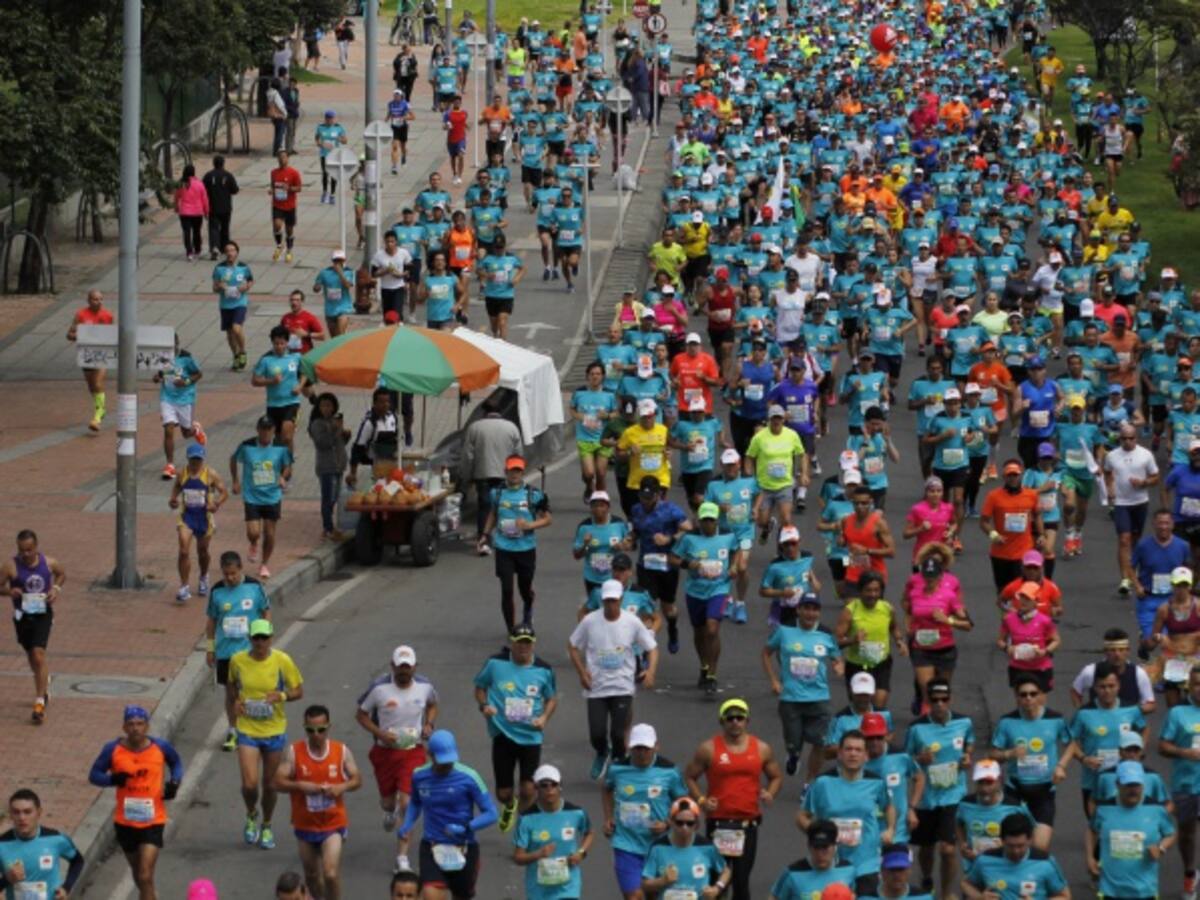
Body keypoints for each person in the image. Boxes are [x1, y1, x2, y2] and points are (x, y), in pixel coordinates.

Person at [684, 698, 783, 900]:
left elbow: (776, 776)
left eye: (740, 718)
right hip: (718, 823)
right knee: (717, 882)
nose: (735, 722)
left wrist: (770, 793)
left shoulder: (762, 748)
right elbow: (689, 777)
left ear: (747, 721)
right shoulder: (708, 749)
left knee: (741, 881)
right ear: (722, 721)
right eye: (730, 718)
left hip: (747, 825)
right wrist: (702, 801)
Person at [357, 645, 439, 873]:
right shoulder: (379, 688)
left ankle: (402, 857)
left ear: (414, 667)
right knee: (389, 802)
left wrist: (429, 724)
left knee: (407, 803)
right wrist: (380, 733)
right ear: (392, 666)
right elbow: (361, 715)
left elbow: (432, 704)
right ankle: (389, 810)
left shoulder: (425, 686)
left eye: (408, 667)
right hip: (384, 752)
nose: (404, 672)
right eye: (400, 668)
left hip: (412, 751)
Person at [88, 706, 183, 900]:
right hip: (125, 821)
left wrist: (174, 782)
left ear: (147, 726)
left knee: (145, 873)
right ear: (124, 727)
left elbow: (176, 763)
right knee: (138, 873)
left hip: (153, 820)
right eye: (131, 724)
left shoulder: (160, 747)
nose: (135, 728)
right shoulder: (112, 749)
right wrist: (113, 780)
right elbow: (94, 775)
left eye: (140, 724)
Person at [569, 578, 659, 780]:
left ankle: (618, 768)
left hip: (622, 686)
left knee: (619, 734)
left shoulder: (631, 622)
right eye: (607, 601)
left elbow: (652, 648)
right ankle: (602, 752)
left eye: (614, 601)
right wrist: (582, 673)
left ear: (621, 599)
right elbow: (572, 646)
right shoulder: (590, 621)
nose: (610, 605)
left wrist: (650, 672)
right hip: (597, 686)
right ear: (602, 600)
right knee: (597, 734)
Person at [227, 618, 304, 850]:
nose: (260, 642)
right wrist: (237, 704)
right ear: (250, 638)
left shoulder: (282, 661)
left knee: (270, 785)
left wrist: (280, 697)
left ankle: (267, 824)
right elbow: (232, 687)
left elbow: (298, 690)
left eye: (264, 638)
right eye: (256, 638)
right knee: (250, 785)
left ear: (271, 638)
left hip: (274, 730)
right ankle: (252, 814)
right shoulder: (237, 660)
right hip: (248, 729)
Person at [473, 624, 558, 834]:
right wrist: (484, 706)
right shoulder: (495, 663)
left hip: (530, 737)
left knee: (529, 789)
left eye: (527, 643)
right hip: (502, 734)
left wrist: (544, 718)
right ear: (511, 642)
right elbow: (480, 687)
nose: (523, 647)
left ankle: (523, 828)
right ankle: (510, 804)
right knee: (503, 793)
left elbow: (551, 698)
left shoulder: (544, 670)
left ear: (533, 644)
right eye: (519, 642)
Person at [272, 704, 362, 900]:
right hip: (305, 824)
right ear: (304, 727)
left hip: (333, 823)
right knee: (312, 876)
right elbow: (277, 783)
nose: (316, 734)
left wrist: (341, 787)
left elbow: (357, 779)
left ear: (328, 727)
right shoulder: (294, 752)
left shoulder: (341, 751)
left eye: (320, 730)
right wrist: (300, 786)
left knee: (330, 873)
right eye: (310, 730)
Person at [396, 729, 498, 899]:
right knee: (430, 894)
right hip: (432, 844)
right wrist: (408, 823)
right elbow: (415, 801)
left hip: (464, 846)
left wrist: (466, 828)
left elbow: (491, 813)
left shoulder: (469, 777)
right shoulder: (419, 776)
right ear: (431, 755)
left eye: (449, 761)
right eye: (442, 761)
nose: (446, 765)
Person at [798, 731, 896, 896]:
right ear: (839, 754)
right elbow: (802, 816)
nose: (853, 754)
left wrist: (890, 829)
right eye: (848, 749)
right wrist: (818, 835)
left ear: (865, 755)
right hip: (832, 862)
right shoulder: (823, 782)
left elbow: (889, 807)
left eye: (858, 750)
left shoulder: (876, 782)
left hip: (867, 862)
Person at [761, 591, 843, 784]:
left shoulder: (825, 634)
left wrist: (838, 666)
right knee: (793, 741)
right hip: (791, 698)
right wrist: (774, 680)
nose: (810, 613)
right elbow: (766, 653)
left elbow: (836, 657)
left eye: (815, 609)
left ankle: (810, 782)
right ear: (798, 610)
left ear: (819, 613)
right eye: (806, 608)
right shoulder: (784, 630)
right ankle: (793, 754)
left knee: (820, 743)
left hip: (819, 697)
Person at [904, 678, 975, 899]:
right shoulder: (917, 728)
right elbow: (904, 761)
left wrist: (967, 757)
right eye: (935, 700)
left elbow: (969, 743)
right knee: (926, 848)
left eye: (944, 700)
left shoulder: (964, 723)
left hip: (953, 795)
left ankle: (945, 893)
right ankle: (926, 878)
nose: (940, 704)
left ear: (950, 699)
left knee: (947, 848)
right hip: (926, 797)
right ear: (928, 701)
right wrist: (919, 758)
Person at [602, 723, 688, 899]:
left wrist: (667, 824)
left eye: (646, 748)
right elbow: (606, 788)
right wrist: (609, 817)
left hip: (659, 846)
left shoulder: (669, 771)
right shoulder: (617, 769)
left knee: (656, 895)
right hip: (626, 844)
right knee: (634, 896)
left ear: (656, 746)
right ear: (630, 747)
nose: (641, 753)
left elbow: (683, 803)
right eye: (637, 748)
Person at [989, 675, 1071, 850]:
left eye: (1033, 694)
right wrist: (1009, 753)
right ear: (1017, 697)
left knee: (1040, 847)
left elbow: (1072, 743)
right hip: (1015, 791)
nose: (1028, 698)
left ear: (1042, 696)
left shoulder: (1055, 719)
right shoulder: (1006, 722)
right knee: (1011, 844)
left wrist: (1061, 766)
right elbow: (993, 754)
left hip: (1044, 791)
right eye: (1023, 694)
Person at [1057, 661, 1146, 809]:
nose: (1107, 691)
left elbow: (1144, 728)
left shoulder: (1131, 709)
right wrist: (1084, 758)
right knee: (1096, 825)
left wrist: (1139, 752)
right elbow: (1069, 740)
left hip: (1125, 780)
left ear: (1119, 686)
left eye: (1111, 686)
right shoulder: (1084, 713)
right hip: (1093, 781)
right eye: (1102, 687)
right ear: (1095, 688)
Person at [672, 501, 740, 695]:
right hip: (695, 591)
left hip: (719, 588)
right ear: (699, 521)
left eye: (711, 520)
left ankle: (712, 672)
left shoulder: (727, 535)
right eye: (705, 520)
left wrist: (734, 566)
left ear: (717, 520)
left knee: (712, 628)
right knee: (700, 631)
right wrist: (689, 564)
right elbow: (673, 558)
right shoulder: (689, 538)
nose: (708, 524)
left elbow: (736, 551)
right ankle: (703, 665)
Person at [205, 550, 269, 752]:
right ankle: (233, 730)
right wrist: (210, 648)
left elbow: (265, 610)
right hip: (226, 652)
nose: (230, 578)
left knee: (249, 690)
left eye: (233, 573)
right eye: (226, 574)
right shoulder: (216, 591)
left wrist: (264, 638)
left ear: (240, 568)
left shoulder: (254, 587)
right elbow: (211, 620)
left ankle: (252, 729)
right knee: (231, 693)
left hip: (250, 651)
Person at [481, 455, 552, 632]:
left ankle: (528, 608)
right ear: (505, 471)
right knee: (506, 590)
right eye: (511, 470)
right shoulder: (496, 493)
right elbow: (493, 514)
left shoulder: (533, 495)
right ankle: (512, 629)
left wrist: (530, 525)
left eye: (518, 471)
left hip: (526, 549)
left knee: (524, 589)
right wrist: (485, 534)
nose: (514, 474)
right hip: (504, 548)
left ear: (522, 472)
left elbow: (548, 519)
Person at [0, 530, 65, 724]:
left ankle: (39, 701)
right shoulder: (10, 566)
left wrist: (55, 589)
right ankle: (43, 679)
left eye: (29, 550)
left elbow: (61, 575)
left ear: (36, 547)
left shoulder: (49, 563)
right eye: (22, 551)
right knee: (32, 656)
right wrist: (9, 591)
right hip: (23, 617)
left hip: (43, 614)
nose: (26, 554)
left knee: (38, 654)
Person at [1086, 761, 1176, 899]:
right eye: (1128, 785)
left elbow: (1171, 833)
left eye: (1137, 785)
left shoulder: (1156, 809)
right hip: (1111, 891)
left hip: (1145, 890)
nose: (1133, 789)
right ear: (1117, 784)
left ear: (1143, 785)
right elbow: (1091, 830)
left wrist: (1161, 848)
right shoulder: (1104, 809)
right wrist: (1090, 857)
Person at [511, 764, 593, 899]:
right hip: (539, 890)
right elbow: (518, 857)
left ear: (560, 786)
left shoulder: (576, 813)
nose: (550, 790)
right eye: (544, 785)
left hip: (568, 887)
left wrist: (581, 853)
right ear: (536, 788)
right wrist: (539, 854)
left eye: (554, 784)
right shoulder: (526, 819)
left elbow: (589, 832)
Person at [229, 416, 293, 580]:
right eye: (263, 429)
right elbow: (233, 459)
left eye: (269, 429)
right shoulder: (247, 446)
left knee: (270, 533)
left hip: (272, 496)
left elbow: (288, 466)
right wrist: (236, 481)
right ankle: (253, 543)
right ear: (257, 430)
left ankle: (264, 564)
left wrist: (283, 478)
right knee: (253, 532)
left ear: (273, 431)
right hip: (252, 496)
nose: (266, 433)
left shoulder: (280, 447)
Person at [1157, 666, 1200, 896]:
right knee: (1187, 833)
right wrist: (1184, 753)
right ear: (1189, 686)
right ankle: (1190, 873)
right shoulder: (1178, 713)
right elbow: (1162, 746)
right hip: (1186, 784)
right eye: (1196, 684)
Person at [1104, 424, 1161, 594]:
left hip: (1140, 501)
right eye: (1124, 438)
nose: (1128, 441)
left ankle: (1133, 572)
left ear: (1136, 438)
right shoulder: (1112, 456)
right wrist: (1110, 488)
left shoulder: (1145, 455)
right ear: (1119, 439)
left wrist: (1144, 483)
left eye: (1131, 438)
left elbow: (1156, 477)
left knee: (1135, 540)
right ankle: (1125, 579)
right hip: (1121, 503)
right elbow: (1107, 472)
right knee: (1124, 539)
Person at [835, 573, 906, 708]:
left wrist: (899, 641)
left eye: (876, 590)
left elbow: (894, 627)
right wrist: (852, 640)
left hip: (880, 664)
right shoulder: (850, 611)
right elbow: (836, 642)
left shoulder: (887, 608)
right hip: (857, 666)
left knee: (879, 704)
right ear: (860, 590)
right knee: (859, 707)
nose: (872, 594)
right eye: (868, 590)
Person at [166, 443, 226, 602]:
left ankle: (204, 576)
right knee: (184, 550)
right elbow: (177, 488)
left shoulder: (210, 474)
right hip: (187, 517)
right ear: (188, 459)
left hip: (205, 518)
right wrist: (173, 500)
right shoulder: (182, 473)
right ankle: (184, 587)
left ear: (203, 460)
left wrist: (216, 504)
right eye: (193, 460)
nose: (195, 463)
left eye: (198, 460)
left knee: (203, 551)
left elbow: (224, 492)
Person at [461, 395, 523, 550]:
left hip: (482, 473)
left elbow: (468, 456)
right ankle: (509, 537)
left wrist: (465, 476)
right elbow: (518, 454)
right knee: (506, 505)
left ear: (484, 413)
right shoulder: (511, 427)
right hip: (505, 474)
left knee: (484, 507)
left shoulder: (475, 428)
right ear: (500, 412)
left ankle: (483, 539)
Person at [640, 797, 732, 899]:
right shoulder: (658, 847)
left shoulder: (707, 847)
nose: (685, 828)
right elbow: (644, 884)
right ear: (671, 822)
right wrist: (662, 881)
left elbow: (725, 871)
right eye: (679, 823)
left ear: (696, 825)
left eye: (690, 823)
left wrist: (716, 888)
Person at [0, 788, 85, 900]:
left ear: (39, 813)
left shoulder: (56, 839)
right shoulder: (2, 844)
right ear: (11, 815)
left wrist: (66, 888)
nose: (22, 818)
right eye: (16, 812)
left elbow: (78, 861)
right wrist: (6, 879)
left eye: (27, 812)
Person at [961, 814, 1069, 900]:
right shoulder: (985, 859)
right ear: (1002, 840)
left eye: (1020, 846)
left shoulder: (1045, 862)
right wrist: (979, 897)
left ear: (1030, 840)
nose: (1016, 851)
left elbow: (1065, 896)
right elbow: (966, 884)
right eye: (1010, 846)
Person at [979, 460, 1043, 591]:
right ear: (1004, 477)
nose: (1013, 478)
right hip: (1000, 553)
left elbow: (1037, 516)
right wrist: (994, 535)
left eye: (1015, 475)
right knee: (1003, 591)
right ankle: (1006, 612)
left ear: (1020, 476)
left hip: (1024, 552)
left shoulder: (1031, 495)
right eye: (1009, 475)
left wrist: (1041, 535)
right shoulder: (994, 496)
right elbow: (984, 521)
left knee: (1023, 591)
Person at [747, 405, 809, 541]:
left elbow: (802, 454)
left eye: (779, 418)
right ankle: (768, 525)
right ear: (769, 419)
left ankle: (782, 549)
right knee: (761, 521)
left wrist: (804, 473)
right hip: (764, 486)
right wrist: (749, 475)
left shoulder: (792, 435)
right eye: (774, 418)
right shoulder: (759, 437)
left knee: (786, 520)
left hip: (784, 484)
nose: (776, 421)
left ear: (783, 419)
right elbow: (750, 456)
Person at [155, 334, 207, 481]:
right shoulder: (162, 357)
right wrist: (157, 378)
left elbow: (198, 374)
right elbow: (160, 374)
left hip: (185, 399)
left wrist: (187, 381)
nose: (171, 349)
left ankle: (196, 429)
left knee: (186, 433)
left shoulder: (186, 357)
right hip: (167, 399)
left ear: (177, 344)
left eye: (173, 345)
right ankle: (170, 465)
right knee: (168, 429)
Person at [1071, 628, 1156, 713]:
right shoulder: (1091, 671)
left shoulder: (1139, 674)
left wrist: (1133, 713)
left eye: (1121, 650)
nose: (1117, 654)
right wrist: (1082, 714)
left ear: (1128, 651)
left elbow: (1150, 703)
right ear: (1105, 651)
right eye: (1112, 650)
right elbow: (1075, 691)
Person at [767, 819, 857, 899]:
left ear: (835, 846)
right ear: (809, 846)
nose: (820, 854)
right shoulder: (793, 873)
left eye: (825, 847)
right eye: (816, 847)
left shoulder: (848, 870)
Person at [251, 325, 305, 456]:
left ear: (287, 342)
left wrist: (300, 386)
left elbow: (306, 372)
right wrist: (271, 381)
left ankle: (288, 463)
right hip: (273, 405)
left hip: (291, 403)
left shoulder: (296, 357)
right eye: (276, 344)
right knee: (280, 438)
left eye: (282, 343)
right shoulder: (266, 360)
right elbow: (255, 380)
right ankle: (284, 460)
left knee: (286, 435)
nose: (279, 347)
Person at [66, 289, 114, 431]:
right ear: (88, 300)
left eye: (100, 299)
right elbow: (69, 334)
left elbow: (112, 335)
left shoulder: (107, 316)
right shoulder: (81, 315)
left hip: (102, 355)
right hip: (86, 355)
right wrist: (79, 336)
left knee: (98, 383)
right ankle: (101, 408)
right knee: (92, 386)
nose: (98, 302)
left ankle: (98, 416)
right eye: (95, 299)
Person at [307, 392, 350, 541]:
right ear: (318, 407)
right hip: (326, 467)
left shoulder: (333, 421)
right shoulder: (317, 424)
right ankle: (328, 527)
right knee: (328, 497)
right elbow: (322, 443)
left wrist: (345, 433)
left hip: (338, 465)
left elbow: (341, 443)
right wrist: (336, 430)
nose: (327, 409)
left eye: (330, 405)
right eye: (324, 405)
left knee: (335, 496)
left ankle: (329, 526)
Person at [841, 486, 897, 587]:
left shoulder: (879, 523)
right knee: (850, 602)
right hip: (852, 574)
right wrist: (842, 541)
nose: (860, 506)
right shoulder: (846, 520)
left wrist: (867, 551)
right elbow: (845, 542)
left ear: (871, 502)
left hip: (874, 576)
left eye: (864, 503)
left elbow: (892, 552)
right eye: (856, 503)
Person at [372, 231, 414, 324]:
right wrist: (386, 271)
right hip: (385, 288)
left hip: (398, 287)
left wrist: (402, 275)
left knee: (397, 313)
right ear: (385, 242)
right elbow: (374, 273)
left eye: (392, 241)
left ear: (396, 242)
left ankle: (400, 330)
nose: (390, 244)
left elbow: (410, 268)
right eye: (388, 242)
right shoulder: (379, 255)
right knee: (387, 315)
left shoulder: (403, 253)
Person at [269, 149, 302, 263]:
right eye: (280, 157)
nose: (282, 159)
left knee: (289, 230)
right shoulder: (273, 172)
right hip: (277, 204)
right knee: (277, 225)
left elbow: (299, 188)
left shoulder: (294, 173)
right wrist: (272, 191)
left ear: (288, 159)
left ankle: (289, 250)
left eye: (284, 157)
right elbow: (273, 186)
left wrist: (290, 188)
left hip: (290, 205)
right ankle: (279, 246)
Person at [202, 155, 239, 258]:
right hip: (226, 207)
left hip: (213, 207)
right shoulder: (228, 175)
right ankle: (224, 248)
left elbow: (202, 190)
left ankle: (214, 247)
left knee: (213, 228)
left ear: (214, 163)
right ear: (223, 163)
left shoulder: (208, 176)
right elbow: (235, 190)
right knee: (225, 228)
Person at [313, 249, 355, 338]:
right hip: (330, 310)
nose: (338, 262)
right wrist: (317, 287)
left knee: (340, 333)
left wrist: (340, 272)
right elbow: (316, 286)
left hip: (344, 308)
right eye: (336, 260)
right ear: (332, 260)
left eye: (340, 260)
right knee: (334, 338)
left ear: (344, 260)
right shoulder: (325, 273)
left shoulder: (348, 272)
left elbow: (347, 285)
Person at [173, 164, 209, 260]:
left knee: (186, 232)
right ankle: (197, 250)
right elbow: (204, 199)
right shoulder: (199, 184)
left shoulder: (181, 184)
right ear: (193, 172)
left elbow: (176, 197)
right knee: (197, 231)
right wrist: (206, 212)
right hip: (197, 212)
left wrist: (176, 207)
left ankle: (189, 252)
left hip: (184, 212)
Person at [315, 109, 349, 202]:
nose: (331, 120)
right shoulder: (320, 127)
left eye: (332, 118)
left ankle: (332, 194)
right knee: (325, 174)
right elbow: (317, 139)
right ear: (325, 119)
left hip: (335, 155)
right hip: (324, 155)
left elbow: (345, 141)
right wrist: (321, 144)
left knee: (334, 175)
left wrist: (340, 139)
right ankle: (325, 192)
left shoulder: (339, 128)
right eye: (329, 118)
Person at [442, 93, 469, 184]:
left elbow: (463, 122)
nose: (457, 103)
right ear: (453, 103)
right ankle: (454, 173)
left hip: (461, 138)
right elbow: (444, 126)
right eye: (455, 102)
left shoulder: (464, 113)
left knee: (461, 156)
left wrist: (466, 126)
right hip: (451, 138)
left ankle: (459, 175)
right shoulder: (448, 114)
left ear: (461, 103)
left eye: (459, 102)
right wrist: (447, 127)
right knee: (453, 157)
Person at [387, 88, 415, 172]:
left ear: (401, 96)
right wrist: (384, 122)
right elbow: (389, 114)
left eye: (398, 95)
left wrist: (404, 117)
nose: (396, 96)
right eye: (395, 95)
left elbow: (413, 117)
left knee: (403, 146)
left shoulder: (406, 104)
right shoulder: (390, 104)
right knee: (394, 146)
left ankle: (403, 157)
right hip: (394, 127)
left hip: (403, 127)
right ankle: (394, 166)